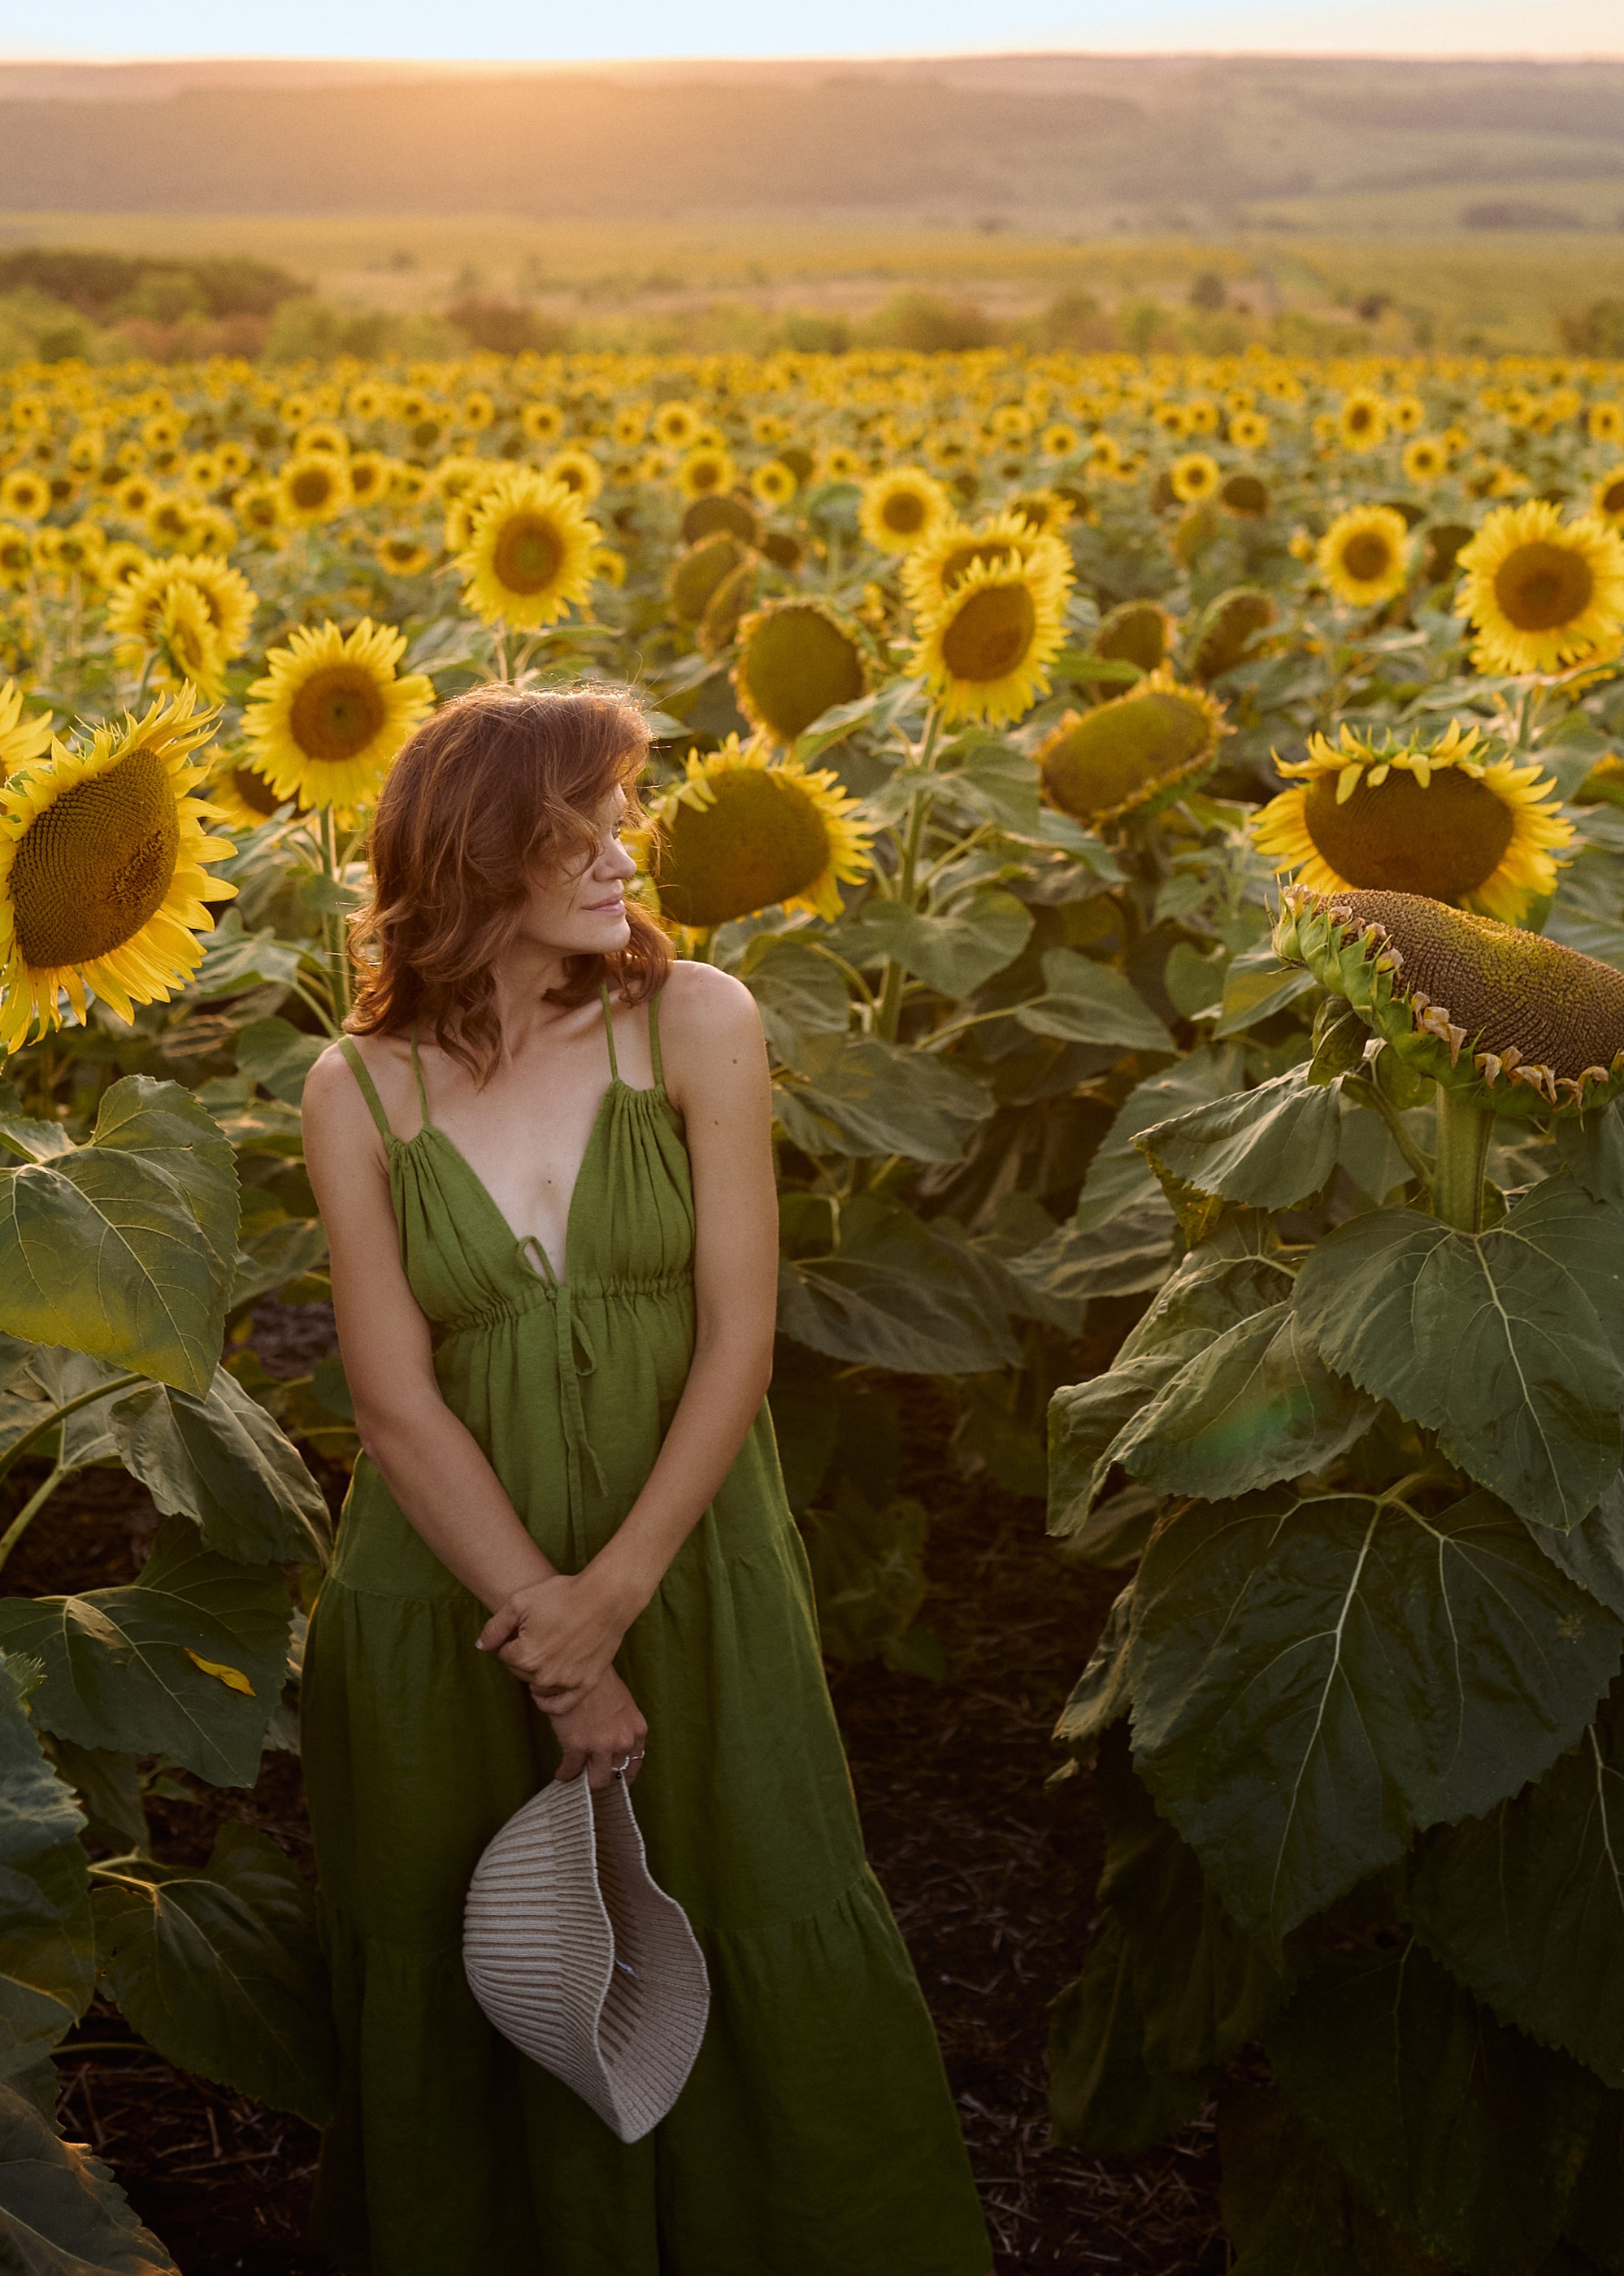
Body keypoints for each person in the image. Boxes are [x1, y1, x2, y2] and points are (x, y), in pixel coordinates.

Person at [297, 680, 992, 2276]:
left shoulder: (697, 1019)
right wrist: (542, 1626)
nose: (625, 851)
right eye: (581, 825)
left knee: (750, 1882)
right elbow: (394, 1406)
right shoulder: (358, 1087)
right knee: (494, 1967)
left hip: (685, 1559)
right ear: (477, 855)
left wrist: (602, 1604)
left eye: (622, 814)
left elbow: (740, 1338)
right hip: (448, 1601)